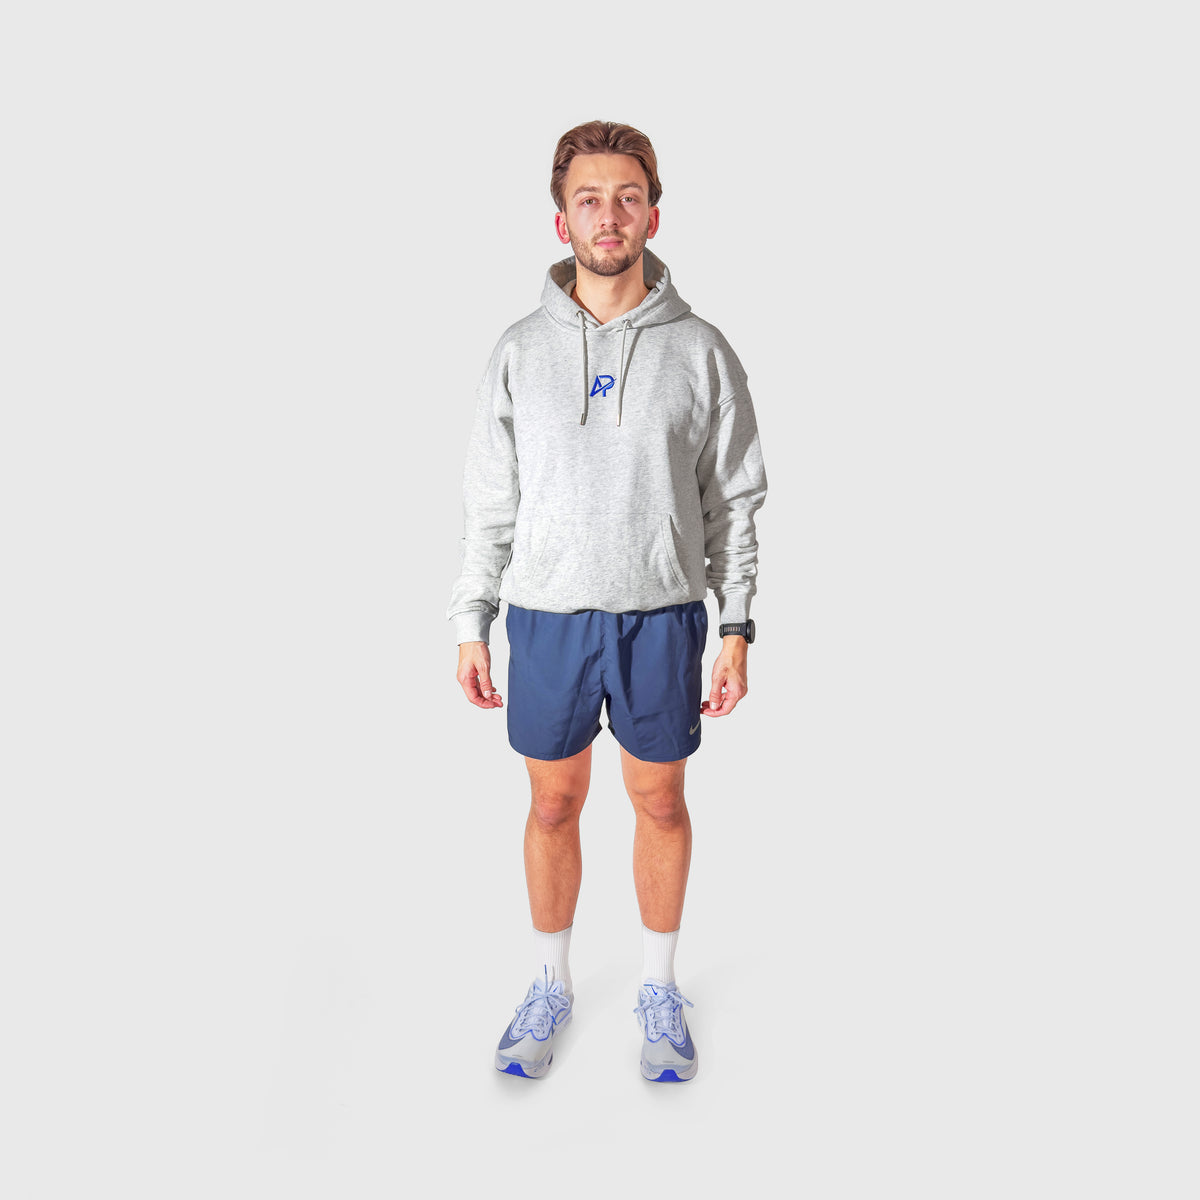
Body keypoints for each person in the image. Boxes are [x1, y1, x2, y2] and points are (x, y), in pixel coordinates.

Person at [447, 120, 767, 1082]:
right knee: (553, 805)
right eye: (589, 199)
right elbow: (489, 501)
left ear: (653, 215)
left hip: (660, 615)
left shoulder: (701, 350)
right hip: (545, 616)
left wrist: (737, 624)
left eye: (628, 197)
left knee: (660, 802)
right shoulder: (517, 351)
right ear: (562, 221)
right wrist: (471, 620)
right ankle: (551, 982)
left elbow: (734, 498)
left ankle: (660, 987)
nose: (609, 215)